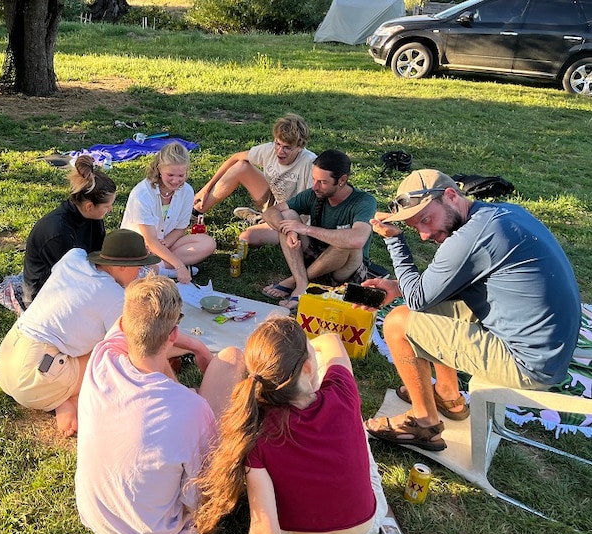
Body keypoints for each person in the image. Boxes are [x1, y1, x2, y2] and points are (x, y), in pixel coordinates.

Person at [363, 169, 581, 451]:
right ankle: (448, 394)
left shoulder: (471, 239)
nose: (426, 235)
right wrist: (396, 285)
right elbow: (441, 288)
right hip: (547, 349)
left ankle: (424, 422)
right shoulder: (499, 215)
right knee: (435, 310)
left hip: (528, 363)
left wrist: (394, 239)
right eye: (417, 227)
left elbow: (419, 299)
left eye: (426, 220)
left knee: (398, 323)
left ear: (451, 195)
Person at [194, 318, 387, 534]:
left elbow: (265, 533)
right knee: (357, 426)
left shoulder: (253, 431)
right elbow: (332, 341)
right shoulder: (342, 391)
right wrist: (308, 348)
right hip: (364, 524)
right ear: (308, 366)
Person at [75, 275, 243, 534]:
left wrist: (195, 346)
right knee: (232, 359)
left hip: (97, 515)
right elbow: (203, 492)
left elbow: (140, 340)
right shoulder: (193, 410)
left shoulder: (102, 356)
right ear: (173, 334)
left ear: (124, 324)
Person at [0, 229, 160, 437]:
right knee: (116, 355)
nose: (139, 273)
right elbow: (137, 345)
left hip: (8, 356)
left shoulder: (74, 256)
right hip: (31, 378)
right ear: (121, 267)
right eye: (138, 268)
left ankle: (60, 396)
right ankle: (69, 397)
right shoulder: (115, 297)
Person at [259, 150, 377, 310]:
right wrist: (288, 230)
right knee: (287, 215)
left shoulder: (364, 201)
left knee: (349, 243)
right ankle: (302, 283)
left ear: (342, 180)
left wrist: (305, 229)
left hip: (345, 269)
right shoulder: (314, 194)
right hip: (315, 256)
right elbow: (270, 212)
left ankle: (293, 280)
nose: (315, 186)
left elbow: (358, 239)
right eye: (314, 179)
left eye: (322, 182)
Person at [192, 113, 316, 247]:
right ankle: (194, 212)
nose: (280, 151)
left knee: (246, 238)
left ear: (300, 147)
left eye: (287, 147)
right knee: (241, 167)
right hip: (274, 203)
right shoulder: (269, 150)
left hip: (292, 218)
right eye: (277, 144)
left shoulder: (310, 163)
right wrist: (206, 188)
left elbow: (314, 203)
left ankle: (260, 220)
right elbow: (235, 157)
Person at [22, 155, 116, 307]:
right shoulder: (58, 231)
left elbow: (99, 255)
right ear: (89, 206)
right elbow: (72, 278)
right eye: (107, 206)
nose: (110, 209)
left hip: (77, 276)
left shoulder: (94, 219)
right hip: (44, 294)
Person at [121, 142, 216, 283]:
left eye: (181, 175)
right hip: (140, 247)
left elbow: (181, 228)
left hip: (165, 243)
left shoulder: (187, 191)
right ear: (159, 169)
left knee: (208, 243)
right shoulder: (142, 194)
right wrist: (179, 266)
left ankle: (155, 269)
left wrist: (165, 243)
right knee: (139, 258)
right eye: (170, 174)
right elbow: (150, 240)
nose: (175, 180)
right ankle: (166, 270)